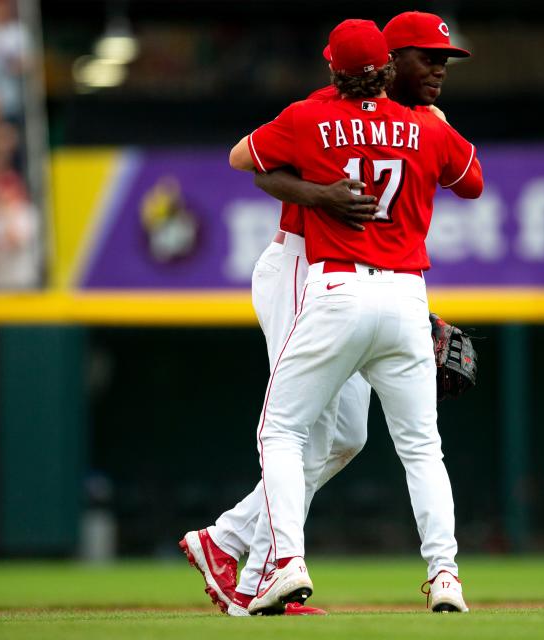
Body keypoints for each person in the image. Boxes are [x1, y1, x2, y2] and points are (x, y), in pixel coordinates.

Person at [179, 11, 471, 616]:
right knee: (304, 429)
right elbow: (252, 162)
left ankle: (224, 539)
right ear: (392, 61)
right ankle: (262, 571)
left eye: (443, 60)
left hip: (356, 287)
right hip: (301, 265)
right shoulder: (329, 105)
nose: (438, 69)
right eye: (428, 57)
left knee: (347, 436)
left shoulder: (402, 119)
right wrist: (320, 197)